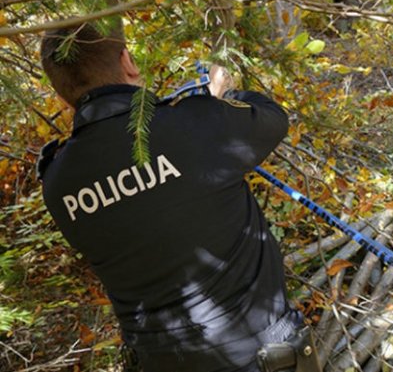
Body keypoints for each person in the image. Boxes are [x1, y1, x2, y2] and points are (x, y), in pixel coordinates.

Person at [37, 23, 318, 372]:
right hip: (261, 357)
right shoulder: (195, 124)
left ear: (62, 98)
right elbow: (273, 119)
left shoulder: (57, 182)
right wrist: (222, 98)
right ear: (128, 62)